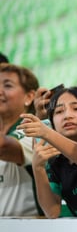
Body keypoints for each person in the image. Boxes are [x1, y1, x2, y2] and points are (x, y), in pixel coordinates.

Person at [18, 87, 77, 218]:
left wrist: (46, 132)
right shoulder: (55, 160)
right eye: (59, 111)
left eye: (76, 108)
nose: (67, 116)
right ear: (52, 122)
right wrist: (38, 167)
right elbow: (52, 212)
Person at [0, 63, 40, 216]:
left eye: (7, 86)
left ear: (29, 97)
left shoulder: (33, 130)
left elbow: (3, 146)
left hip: (25, 231)